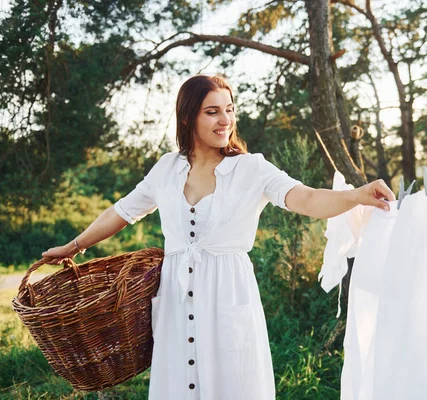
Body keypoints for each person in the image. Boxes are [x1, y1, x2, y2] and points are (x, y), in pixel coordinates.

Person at [42, 75, 395, 400]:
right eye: (212, 112)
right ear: (187, 118)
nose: (224, 120)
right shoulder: (166, 168)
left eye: (229, 110)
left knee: (235, 384)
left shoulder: (251, 168)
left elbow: (306, 199)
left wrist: (357, 195)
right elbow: (122, 211)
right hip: (177, 303)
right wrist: (74, 246)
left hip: (230, 295)